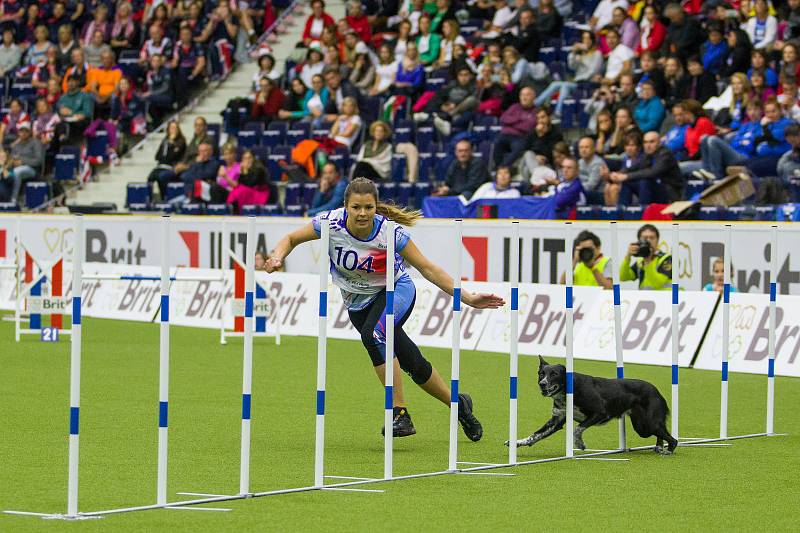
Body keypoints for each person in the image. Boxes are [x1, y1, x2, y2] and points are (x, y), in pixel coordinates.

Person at [263, 177, 503, 438]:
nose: (362, 213)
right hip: (358, 304)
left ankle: (399, 413)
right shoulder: (330, 223)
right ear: (345, 206)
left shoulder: (390, 233)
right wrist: (277, 256)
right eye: (356, 207)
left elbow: (428, 268)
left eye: (368, 207)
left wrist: (466, 297)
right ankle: (459, 405)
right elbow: (290, 238)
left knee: (374, 335)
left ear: (376, 206)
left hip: (395, 291)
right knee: (412, 362)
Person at [612, 131, 683, 205]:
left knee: (644, 180)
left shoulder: (665, 154)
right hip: (655, 189)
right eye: (645, 142)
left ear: (659, 143)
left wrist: (626, 176)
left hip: (670, 191)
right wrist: (619, 174)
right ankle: (623, 212)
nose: (648, 145)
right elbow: (636, 166)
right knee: (627, 182)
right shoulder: (648, 154)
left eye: (651, 142)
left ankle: (643, 211)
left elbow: (653, 172)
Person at [493, 86, 537, 169]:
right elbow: (503, 119)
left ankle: (502, 168)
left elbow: (528, 126)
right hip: (504, 134)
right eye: (522, 95)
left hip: (520, 137)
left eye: (527, 95)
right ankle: (498, 167)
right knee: (496, 142)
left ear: (533, 97)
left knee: (519, 147)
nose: (524, 97)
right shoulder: (515, 107)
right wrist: (519, 119)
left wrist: (511, 123)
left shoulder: (536, 110)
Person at [620, 224, 672, 291]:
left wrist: (648, 261)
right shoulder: (640, 261)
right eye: (645, 238)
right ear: (639, 241)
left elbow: (657, 283)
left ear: (657, 240)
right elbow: (623, 277)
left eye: (652, 238)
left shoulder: (667, 258)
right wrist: (628, 256)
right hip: (646, 298)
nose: (648, 241)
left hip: (664, 298)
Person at [148, 120, 187, 200]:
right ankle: (149, 198)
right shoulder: (164, 141)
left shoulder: (181, 142)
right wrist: (167, 146)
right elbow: (157, 156)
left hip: (172, 166)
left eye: (175, 128)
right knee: (151, 177)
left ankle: (164, 197)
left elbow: (172, 157)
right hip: (161, 165)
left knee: (161, 177)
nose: (173, 130)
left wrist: (171, 145)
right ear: (168, 129)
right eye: (171, 128)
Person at [577, 135, 606, 204]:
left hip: (598, 194)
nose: (583, 150)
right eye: (581, 147)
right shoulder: (579, 162)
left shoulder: (598, 163)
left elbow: (591, 186)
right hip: (582, 191)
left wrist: (574, 189)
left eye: (586, 147)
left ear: (593, 149)